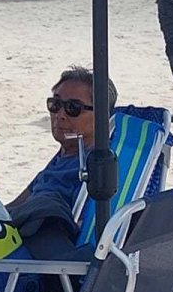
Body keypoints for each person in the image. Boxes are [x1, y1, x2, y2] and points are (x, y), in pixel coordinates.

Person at [8, 66, 116, 213]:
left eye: (73, 107)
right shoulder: (65, 154)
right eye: (55, 104)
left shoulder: (96, 169)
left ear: (102, 115)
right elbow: (14, 206)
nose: (60, 115)